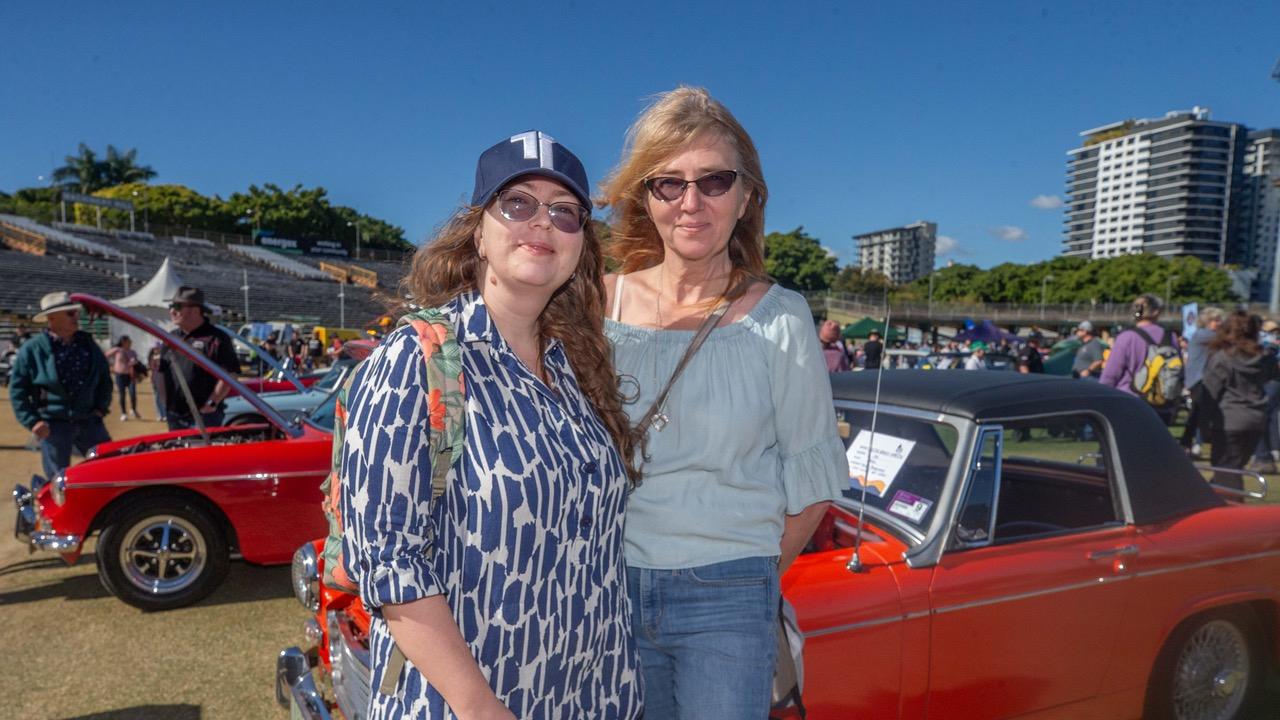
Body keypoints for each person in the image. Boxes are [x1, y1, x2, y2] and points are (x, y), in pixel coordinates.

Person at [339, 131, 641, 719]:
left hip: (591, 697)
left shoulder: (576, 367)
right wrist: (483, 709)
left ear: (582, 243)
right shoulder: (416, 360)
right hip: (468, 704)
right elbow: (390, 566)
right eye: (518, 203)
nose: (542, 222)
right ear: (478, 230)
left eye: (565, 211)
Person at [599, 86, 846, 719]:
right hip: (605, 588)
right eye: (668, 183)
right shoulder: (596, 306)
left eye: (714, 180)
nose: (691, 202)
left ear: (746, 197)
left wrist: (748, 578)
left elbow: (814, 477)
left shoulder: (780, 317)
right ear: (644, 197)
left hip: (728, 595)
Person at [8, 291, 112, 480]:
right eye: (71, 313)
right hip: (53, 424)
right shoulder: (32, 349)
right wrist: (32, 421)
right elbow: (17, 390)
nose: (76, 317)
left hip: (89, 420)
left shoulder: (88, 344)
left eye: (76, 313)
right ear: (52, 318)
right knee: (58, 479)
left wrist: (100, 409)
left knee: (109, 467)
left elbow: (105, 379)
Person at [1201, 311, 1278, 488]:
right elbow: (1274, 375)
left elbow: (1209, 394)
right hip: (1256, 418)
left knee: (1226, 470)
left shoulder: (1222, 358)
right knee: (1233, 469)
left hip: (1229, 419)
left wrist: (1202, 424)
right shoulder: (1264, 357)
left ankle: (1231, 509)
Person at [159, 287, 241, 430]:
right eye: (171, 306)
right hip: (175, 414)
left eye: (177, 307)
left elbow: (230, 374)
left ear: (195, 310)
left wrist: (212, 402)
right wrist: (165, 401)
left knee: (200, 452)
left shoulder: (216, 338)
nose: (172, 311)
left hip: (204, 416)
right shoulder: (170, 338)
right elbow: (161, 372)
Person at [1099, 294, 1180, 419]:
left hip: (1129, 400)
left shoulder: (1126, 337)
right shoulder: (1171, 337)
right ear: (1156, 312)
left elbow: (1111, 374)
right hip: (1162, 401)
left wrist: (1103, 400)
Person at [1180, 307, 1223, 458]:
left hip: (1201, 379)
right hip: (1199, 380)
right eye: (1216, 320)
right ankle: (1188, 444)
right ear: (1207, 322)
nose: (1219, 323)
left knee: (1200, 414)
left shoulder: (1205, 336)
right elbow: (1226, 340)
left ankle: (1193, 444)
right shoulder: (1203, 335)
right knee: (1198, 414)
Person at [104, 335, 141, 420]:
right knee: (122, 394)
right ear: (124, 342)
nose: (131, 343)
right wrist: (110, 366)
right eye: (129, 341)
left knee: (133, 393)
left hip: (131, 376)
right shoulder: (117, 350)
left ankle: (133, 409)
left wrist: (134, 363)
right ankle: (123, 413)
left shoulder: (133, 352)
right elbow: (105, 355)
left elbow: (135, 361)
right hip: (120, 375)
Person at [147, 344, 166, 421]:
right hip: (155, 380)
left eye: (158, 348)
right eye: (155, 349)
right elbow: (152, 367)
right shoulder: (152, 358)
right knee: (157, 398)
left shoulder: (163, 357)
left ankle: (164, 414)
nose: (157, 350)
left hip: (163, 380)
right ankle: (159, 414)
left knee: (163, 398)